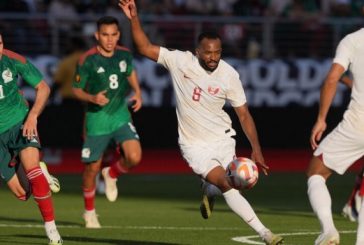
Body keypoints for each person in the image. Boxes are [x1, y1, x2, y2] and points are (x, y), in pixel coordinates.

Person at [118, 1, 284, 244]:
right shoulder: (180, 61)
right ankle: (265, 233)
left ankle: (208, 189)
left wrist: (256, 150)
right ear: (197, 51)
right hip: (194, 144)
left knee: (232, 183)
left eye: (217, 52)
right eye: (208, 52)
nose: (213, 57)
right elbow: (143, 47)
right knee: (228, 185)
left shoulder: (229, 75)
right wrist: (133, 17)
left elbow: (244, 115)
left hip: (223, 138)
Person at [72, 16, 143, 229]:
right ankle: (89, 212)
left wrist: (138, 92)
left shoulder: (124, 54)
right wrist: (92, 98)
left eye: (113, 35)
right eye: (105, 35)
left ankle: (111, 173)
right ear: (97, 36)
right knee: (91, 169)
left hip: (120, 115)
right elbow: (76, 90)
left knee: (135, 156)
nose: (109, 39)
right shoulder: (87, 60)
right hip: (96, 120)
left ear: (118, 35)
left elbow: (130, 72)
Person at [0, 33, 62, 245]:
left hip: (20, 122)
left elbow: (43, 87)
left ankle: (52, 232)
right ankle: (40, 173)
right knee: (23, 193)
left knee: (32, 171)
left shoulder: (13, 60)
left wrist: (33, 117)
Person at [307, 28, 364, 245]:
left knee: (316, 171)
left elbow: (332, 78)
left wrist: (321, 119)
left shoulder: (352, 40)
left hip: (359, 124)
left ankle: (328, 230)